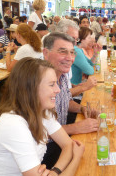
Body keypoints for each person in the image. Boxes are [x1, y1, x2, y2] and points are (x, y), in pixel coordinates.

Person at [0, 57, 84, 176]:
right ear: (30, 89)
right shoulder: (13, 126)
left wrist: (55, 171)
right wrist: (76, 158)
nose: (58, 90)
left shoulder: (42, 111)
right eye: (51, 84)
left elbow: (67, 144)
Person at [42, 32, 98, 168]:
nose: (70, 58)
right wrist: (75, 128)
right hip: (44, 152)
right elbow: (37, 133)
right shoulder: (38, 82)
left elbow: (65, 101)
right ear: (46, 53)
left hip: (61, 141)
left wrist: (81, 108)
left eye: (72, 53)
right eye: (63, 52)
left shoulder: (62, 75)